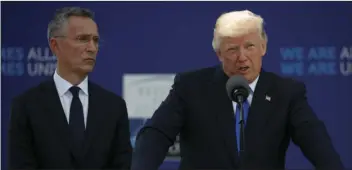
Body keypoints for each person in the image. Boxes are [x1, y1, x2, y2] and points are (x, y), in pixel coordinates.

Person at [131, 10, 344, 170]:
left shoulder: (286, 92)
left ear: (263, 47)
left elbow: (314, 137)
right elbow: (156, 134)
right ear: (219, 55)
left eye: (249, 46)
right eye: (232, 49)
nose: (242, 57)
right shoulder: (191, 87)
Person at [8, 7, 132, 169]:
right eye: (82, 39)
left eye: (95, 40)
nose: (92, 48)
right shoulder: (26, 106)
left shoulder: (114, 107)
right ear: (55, 45)